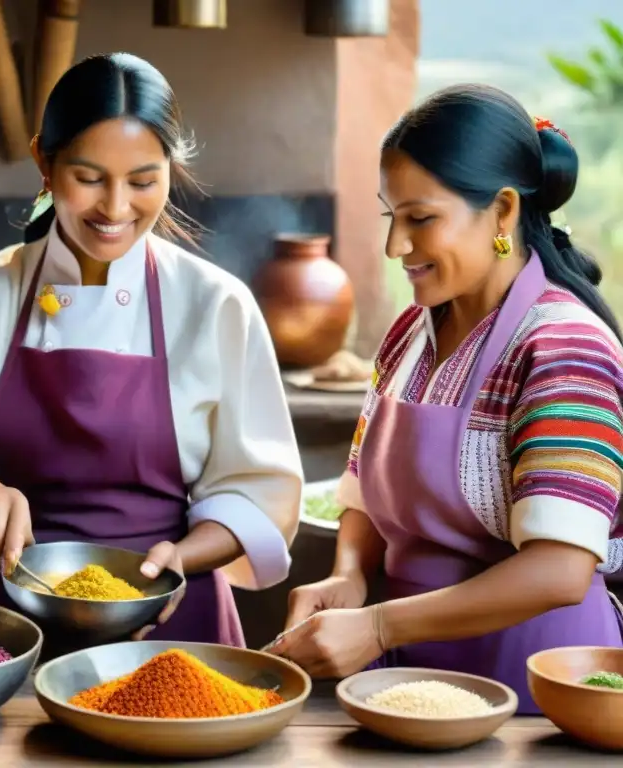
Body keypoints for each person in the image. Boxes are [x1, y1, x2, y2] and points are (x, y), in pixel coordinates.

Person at [0, 53, 303, 646]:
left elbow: (259, 488)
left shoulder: (215, 304)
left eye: (142, 181)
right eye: (89, 178)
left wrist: (181, 557)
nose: (115, 207)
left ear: (170, 170)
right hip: (2, 610)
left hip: (165, 613)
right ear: (44, 164)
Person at [266, 84, 623, 713]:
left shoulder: (564, 346)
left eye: (421, 219)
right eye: (390, 216)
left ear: (504, 212)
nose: (394, 247)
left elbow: (561, 569)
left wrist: (379, 626)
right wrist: (349, 574)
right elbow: (363, 495)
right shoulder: (410, 332)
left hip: (536, 693)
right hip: (410, 685)